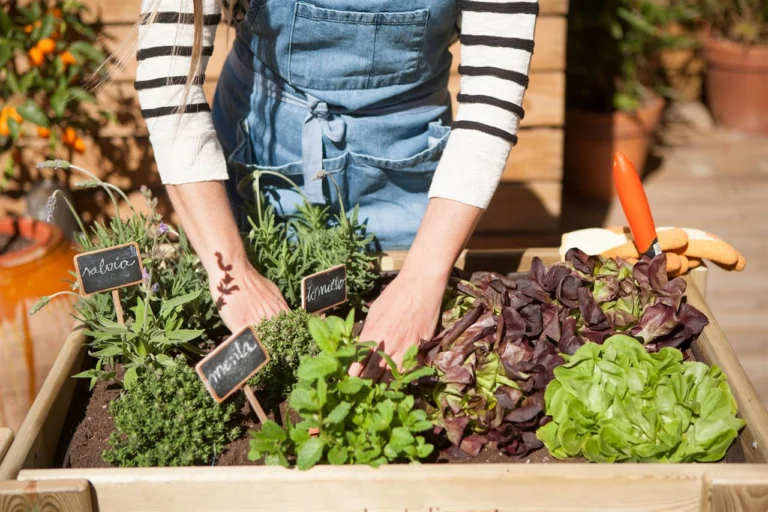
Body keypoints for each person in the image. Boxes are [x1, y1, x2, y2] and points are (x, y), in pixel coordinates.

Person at [136, 0, 538, 378]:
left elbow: (492, 103)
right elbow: (169, 87)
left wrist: (421, 279)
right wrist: (233, 272)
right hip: (260, 160)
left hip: (404, 170)